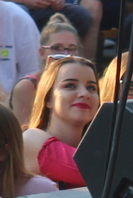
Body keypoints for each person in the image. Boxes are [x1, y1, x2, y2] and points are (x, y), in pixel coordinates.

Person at [18, 55, 97, 189]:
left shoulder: (100, 147)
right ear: (48, 99)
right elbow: (97, 173)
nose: (84, 93)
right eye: (70, 85)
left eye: (91, 88)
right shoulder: (31, 138)